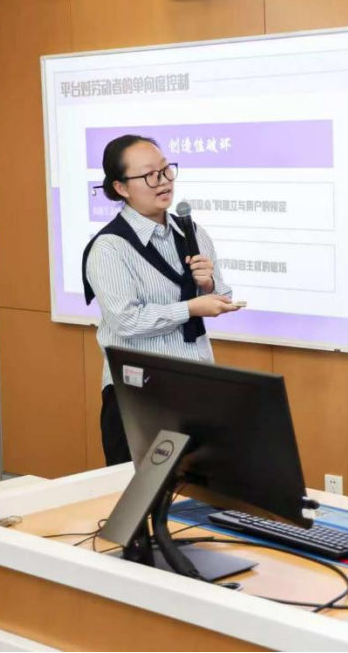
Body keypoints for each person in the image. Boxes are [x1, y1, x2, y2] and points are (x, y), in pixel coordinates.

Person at [83, 134, 241, 465]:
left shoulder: (191, 231)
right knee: (140, 490)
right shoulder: (110, 247)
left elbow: (223, 297)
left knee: (200, 488)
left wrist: (209, 284)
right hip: (138, 394)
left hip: (197, 385)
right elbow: (126, 321)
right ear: (121, 187)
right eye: (149, 175)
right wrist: (190, 308)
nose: (164, 181)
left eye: (167, 170)